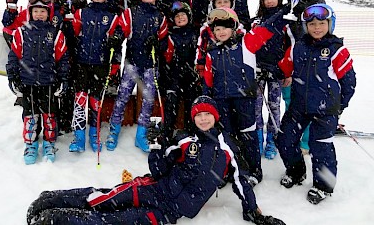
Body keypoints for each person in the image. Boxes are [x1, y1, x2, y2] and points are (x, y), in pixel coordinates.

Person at [26, 96, 285, 225]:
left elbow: (240, 181)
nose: (203, 119)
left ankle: (56, 218)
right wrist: (158, 147)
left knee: (113, 222)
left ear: (215, 117)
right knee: (102, 200)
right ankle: (51, 199)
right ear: (193, 120)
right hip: (153, 189)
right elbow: (159, 169)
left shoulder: (227, 147)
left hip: (168, 213)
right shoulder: (184, 140)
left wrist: (255, 212)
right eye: (198, 115)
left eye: (208, 115)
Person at [276, 4, 356, 204]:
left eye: (321, 23)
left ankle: (323, 186)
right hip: (299, 106)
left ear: (330, 24)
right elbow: (284, 67)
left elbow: (349, 82)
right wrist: (271, 71)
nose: (317, 27)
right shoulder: (299, 46)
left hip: (325, 109)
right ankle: (296, 172)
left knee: (320, 147)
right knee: (285, 139)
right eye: (312, 24)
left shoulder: (337, 50)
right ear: (306, 26)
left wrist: (339, 106)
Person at [202, 7, 287, 185]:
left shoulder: (247, 43)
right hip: (221, 100)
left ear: (233, 28)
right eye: (217, 29)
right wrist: (205, 101)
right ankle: (230, 170)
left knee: (248, 136)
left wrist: (287, 10)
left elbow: (269, 27)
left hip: (245, 100)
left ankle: (254, 171)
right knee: (227, 137)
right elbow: (208, 80)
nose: (221, 32)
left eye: (225, 27)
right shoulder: (211, 52)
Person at [6, 0, 69, 165]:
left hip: (49, 82)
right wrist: (13, 77)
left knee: (49, 115)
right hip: (28, 82)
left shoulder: (55, 33)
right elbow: (14, 56)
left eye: (43, 11)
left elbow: (62, 58)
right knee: (30, 115)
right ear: (30, 12)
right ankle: (31, 144)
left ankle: (49, 143)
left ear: (48, 13)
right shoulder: (21, 32)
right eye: (36, 11)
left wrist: (63, 79)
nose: (39, 14)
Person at [106, 0, 168, 152]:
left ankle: (141, 134)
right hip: (132, 62)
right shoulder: (131, 13)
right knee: (123, 96)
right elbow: (122, 29)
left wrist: (157, 43)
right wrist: (117, 37)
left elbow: (164, 42)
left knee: (148, 100)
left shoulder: (160, 17)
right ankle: (114, 130)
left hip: (150, 64)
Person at [68, 0, 123, 153]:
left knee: (95, 101)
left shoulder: (113, 17)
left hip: (101, 64)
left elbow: (118, 44)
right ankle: (78, 136)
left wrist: (114, 64)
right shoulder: (82, 13)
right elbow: (73, 37)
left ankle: (94, 133)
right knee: (80, 100)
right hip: (82, 64)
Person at [282, 0, 326, 154]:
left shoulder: (317, 3)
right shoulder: (287, 6)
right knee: (290, 101)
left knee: (308, 103)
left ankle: (306, 142)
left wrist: (302, 15)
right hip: (289, 62)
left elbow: (319, 31)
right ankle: (291, 136)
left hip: (310, 62)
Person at [2, 0, 63, 107]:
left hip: (49, 71)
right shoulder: (29, 12)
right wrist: (11, 7)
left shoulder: (60, 12)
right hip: (29, 69)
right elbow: (9, 24)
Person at [47, 0, 88, 134]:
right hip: (48, 46)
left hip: (72, 46)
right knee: (49, 83)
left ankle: (66, 119)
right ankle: (50, 119)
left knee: (68, 83)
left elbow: (85, 19)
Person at [252, 0, 287, 160]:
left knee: (274, 106)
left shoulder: (286, 20)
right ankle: (258, 139)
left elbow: (290, 48)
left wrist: (287, 72)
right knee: (257, 106)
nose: (269, 1)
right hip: (259, 70)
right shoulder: (257, 21)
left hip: (277, 70)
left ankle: (272, 140)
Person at [160, 1, 200, 138]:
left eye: (183, 15)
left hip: (191, 77)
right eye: (177, 16)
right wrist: (166, 77)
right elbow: (166, 57)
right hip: (175, 76)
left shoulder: (196, 34)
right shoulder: (171, 36)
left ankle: (192, 135)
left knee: (192, 105)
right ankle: (167, 135)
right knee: (171, 105)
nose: (180, 18)